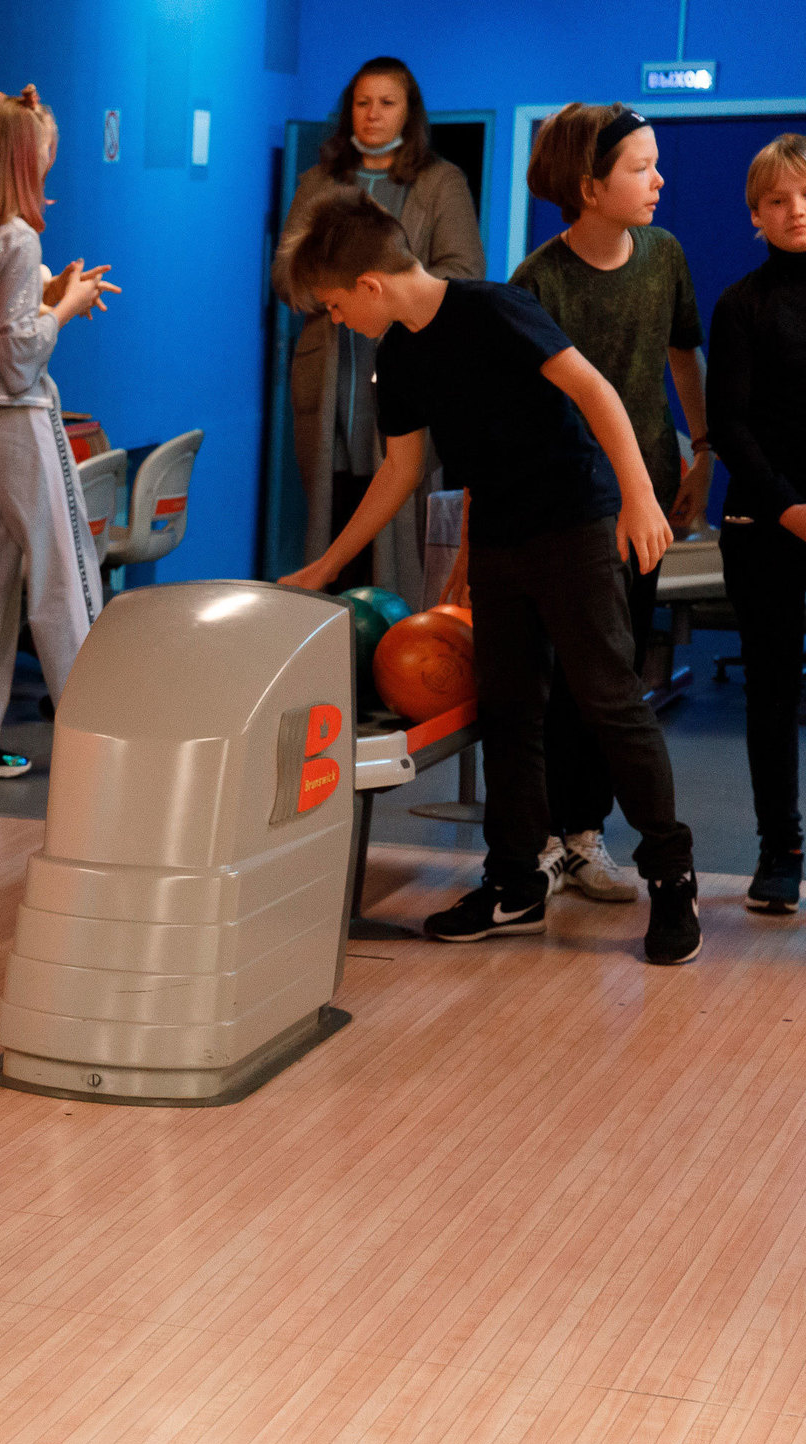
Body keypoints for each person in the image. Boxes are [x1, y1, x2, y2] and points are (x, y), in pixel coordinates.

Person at [277, 194, 698, 964]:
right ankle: (514, 885)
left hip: (574, 523)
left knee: (607, 699)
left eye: (336, 306)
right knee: (509, 711)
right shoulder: (398, 358)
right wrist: (328, 564)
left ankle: (672, 879)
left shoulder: (496, 309)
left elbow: (595, 392)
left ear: (369, 285)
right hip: (501, 537)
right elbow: (400, 471)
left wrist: (640, 496)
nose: (337, 321)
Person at [511, 104, 713, 909]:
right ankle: (559, 839)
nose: (660, 181)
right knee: (565, 677)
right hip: (563, 506)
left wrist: (704, 450)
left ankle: (584, 835)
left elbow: (681, 352)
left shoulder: (665, 255)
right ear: (589, 187)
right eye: (640, 168)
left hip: (649, 497)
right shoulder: (537, 281)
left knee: (618, 672)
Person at [0, 85, 117, 775]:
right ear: (25, 159)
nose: (50, 167)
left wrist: (49, 294)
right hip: (16, 424)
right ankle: (97, 736)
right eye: (46, 155)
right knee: (67, 573)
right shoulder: (17, 234)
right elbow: (18, 358)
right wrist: (65, 306)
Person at [279, 57, 483, 601]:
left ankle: (398, 654)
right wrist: (339, 288)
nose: (372, 115)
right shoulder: (319, 182)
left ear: (409, 112)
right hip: (329, 383)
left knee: (400, 507)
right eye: (362, 102)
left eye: (387, 103)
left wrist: (386, 292)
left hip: (408, 369)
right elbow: (286, 274)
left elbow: (463, 275)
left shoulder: (442, 183)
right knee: (331, 508)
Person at [708, 134, 806, 913]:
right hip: (765, 523)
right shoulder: (740, 305)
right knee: (771, 693)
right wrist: (787, 506)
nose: (795, 209)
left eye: (805, 194)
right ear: (755, 215)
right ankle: (781, 850)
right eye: (778, 199)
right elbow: (729, 423)